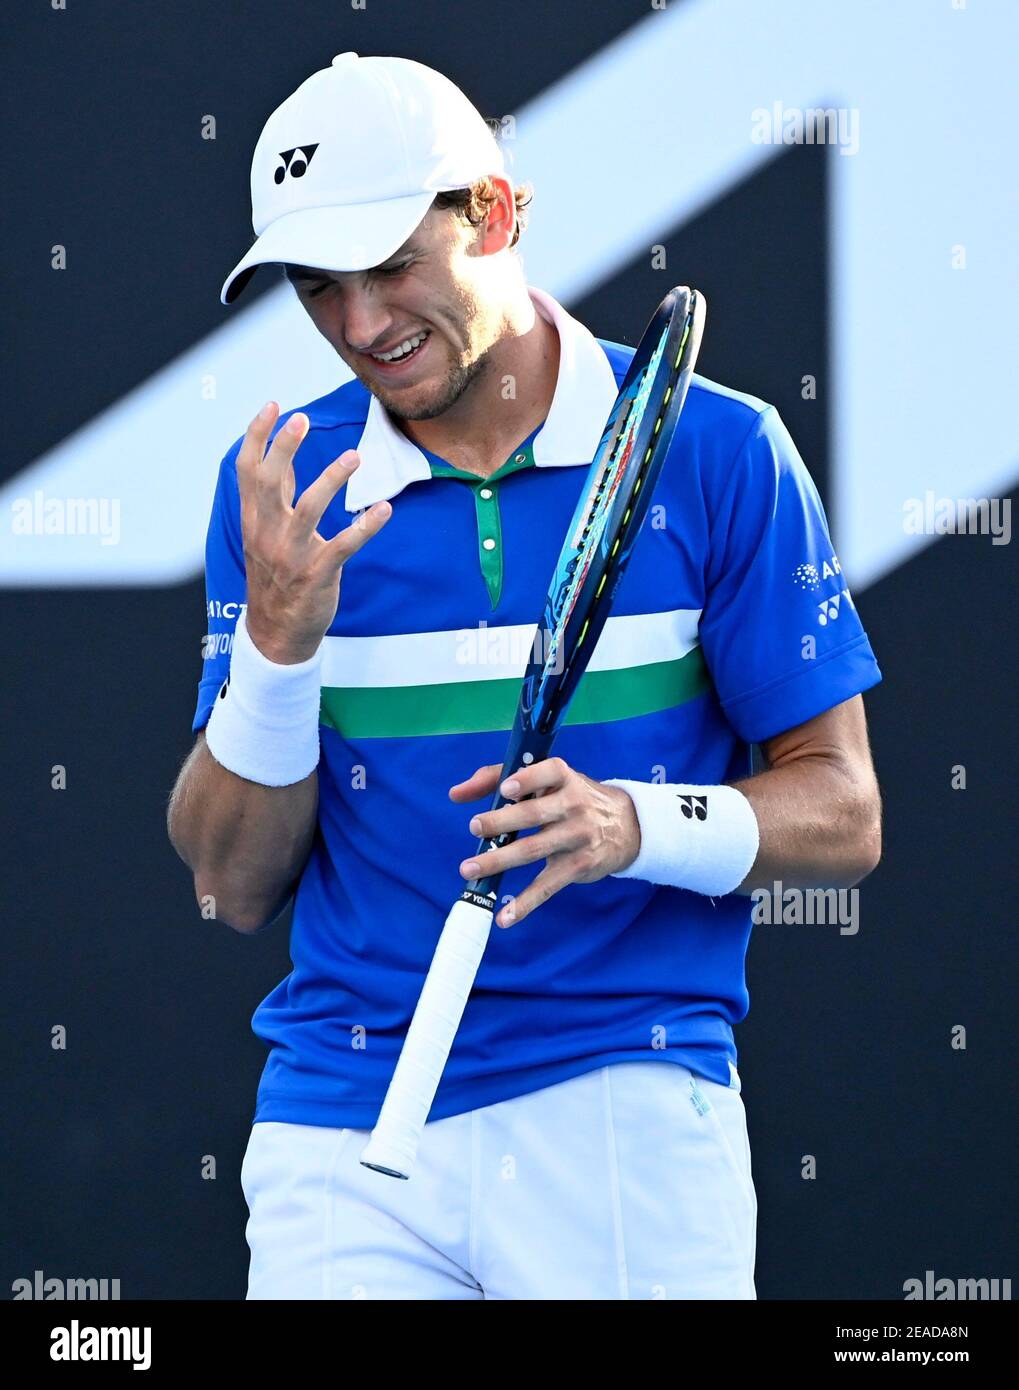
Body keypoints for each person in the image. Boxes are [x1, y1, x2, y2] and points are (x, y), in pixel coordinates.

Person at [167, 52, 883, 1300]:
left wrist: (629, 823)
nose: (357, 326)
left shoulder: (721, 452)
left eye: (390, 265)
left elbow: (844, 812)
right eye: (318, 286)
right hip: (339, 1114)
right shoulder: (283, 498)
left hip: (628, 1096)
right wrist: (278, 647)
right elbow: (230, 884)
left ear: (492, 213)